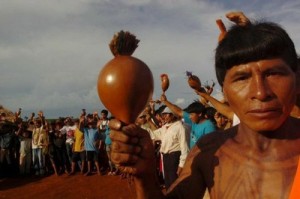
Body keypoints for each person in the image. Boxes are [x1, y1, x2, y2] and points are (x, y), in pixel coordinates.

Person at [109, 11, 300, 199]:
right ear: (225, 91)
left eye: (274, 73)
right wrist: (145, 177)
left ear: (297, 79)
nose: (261, 92)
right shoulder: (209, 151)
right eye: (242, 78)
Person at [149, 107, 189, 190]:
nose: (164, 117)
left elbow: (184, 148)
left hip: (174, 158)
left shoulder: (180, 127)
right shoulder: (165, 127)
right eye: (163, 115)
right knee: (168, 182)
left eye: (166, 114)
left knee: (174, 183)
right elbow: (154, 135)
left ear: (173, 115)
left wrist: (181, 165)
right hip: (166, 158)